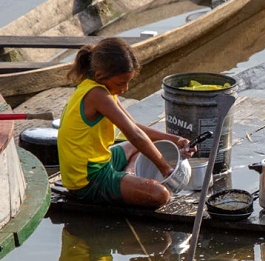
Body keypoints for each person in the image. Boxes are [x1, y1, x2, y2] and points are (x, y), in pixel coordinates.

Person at [57, 37, 193, 208]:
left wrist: (176, 139)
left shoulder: (100, 88)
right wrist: (166, 168)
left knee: (143, 143)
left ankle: (129, 173)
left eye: (128, 82)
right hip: (88, 180)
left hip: (102, 162)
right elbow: (134, 135)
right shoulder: (97, 95)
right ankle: (127, 177)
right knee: (161, 195)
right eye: (121, 83)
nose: (125, 89)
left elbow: (134, 126)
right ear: (100, 75)